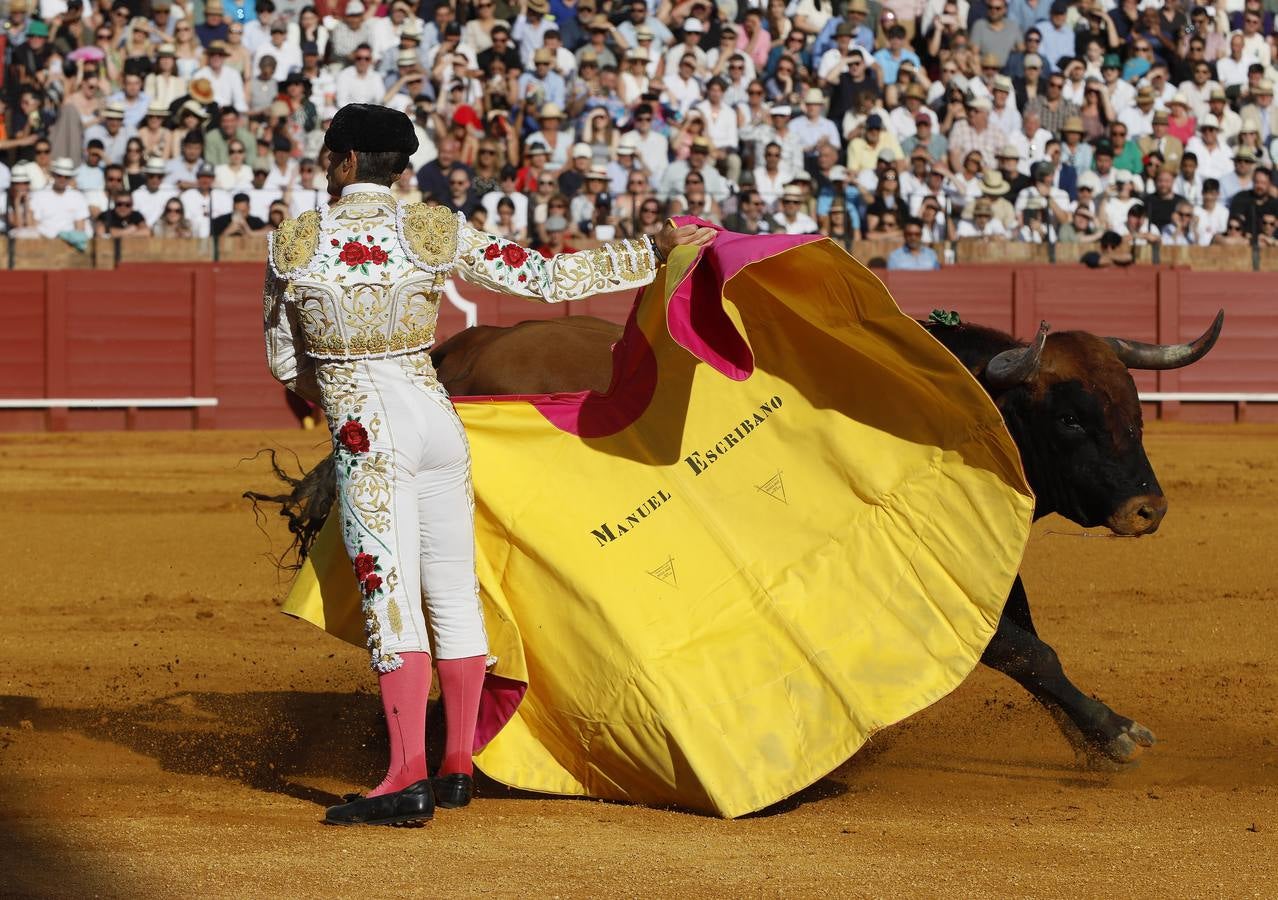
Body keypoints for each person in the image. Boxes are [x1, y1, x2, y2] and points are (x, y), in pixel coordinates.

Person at [264, 104, 715, 827]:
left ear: (346, 161)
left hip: (369, 429)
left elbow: (286, 360)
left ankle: (405, 777)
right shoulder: (433, 227)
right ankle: (456, 765)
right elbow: (543, 278)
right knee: (450, 584)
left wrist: (340, 393)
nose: (322, 167)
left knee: (392, 594)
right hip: (438, 421)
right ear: (400, 168)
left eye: (326, 155)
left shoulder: (295, 241)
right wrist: (650, 252)